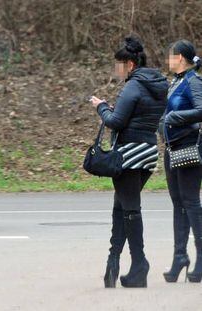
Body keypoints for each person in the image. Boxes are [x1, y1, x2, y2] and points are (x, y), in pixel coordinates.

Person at [90, 36, 168, 288]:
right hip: (148, 152)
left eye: (119, 65)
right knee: (122, 207)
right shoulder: (157, 84)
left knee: (130, 210)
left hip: (129, 154)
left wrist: (101, 107)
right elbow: (143, 115)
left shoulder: (133, 87)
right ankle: (112, 265)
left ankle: (139, 265)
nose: (117, 70)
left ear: (131, 64)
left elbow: (115, 122)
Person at [162, 39, 202, 283]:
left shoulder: (194, 82)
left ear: (180, 58)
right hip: (171, 149)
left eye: (170, 56)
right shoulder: (175, 82)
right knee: (178, 204)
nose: (168, 60)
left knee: (191, 203)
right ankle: (180, 257)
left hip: (189, 149)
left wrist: (175, 117)